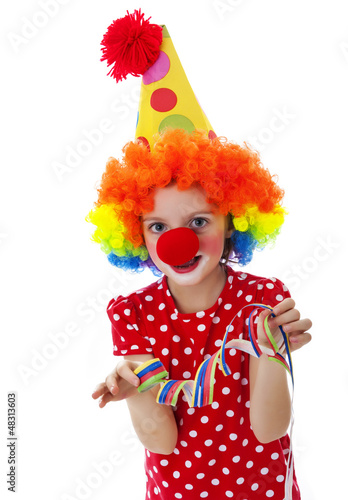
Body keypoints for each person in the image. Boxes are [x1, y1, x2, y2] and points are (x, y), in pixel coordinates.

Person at [88, 10, 312, 499]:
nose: (178, 242)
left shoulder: (263, 299)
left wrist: (269, 349)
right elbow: (160, 439)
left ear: (233, 219)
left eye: (198, 223)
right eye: (157, 226)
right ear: (136, 235)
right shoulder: (134, 313)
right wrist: (137, 392)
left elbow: (271, 428)